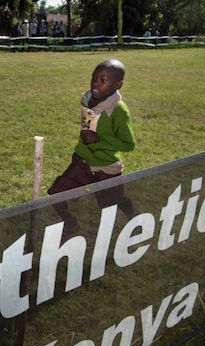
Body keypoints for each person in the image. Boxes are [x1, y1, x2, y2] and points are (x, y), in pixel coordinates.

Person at [47, 59, 137, 232]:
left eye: (103, 80)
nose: (96, 83)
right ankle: (71, 223)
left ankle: (135, 218)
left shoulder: (119, 110)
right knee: (56, 193)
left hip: (106, 167)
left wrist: (99, 141)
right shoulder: (87, 100)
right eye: (94, 78)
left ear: (118, 85)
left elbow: (128, 145)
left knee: (113, 202)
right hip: (82, 162)